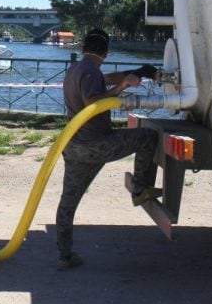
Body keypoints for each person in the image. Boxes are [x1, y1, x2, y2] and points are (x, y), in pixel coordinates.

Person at [55, 28, 160, 270]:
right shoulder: (92, 72)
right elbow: (94, 102)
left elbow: (104, 79)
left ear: (82, 48)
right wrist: (121, 88)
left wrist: (134, 73)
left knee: (68, 202)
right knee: (147, 137)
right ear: (107, 52)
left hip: (75, 146)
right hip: (98, 144)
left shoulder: (77, 69)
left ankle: (64, 255)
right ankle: (140, 189)